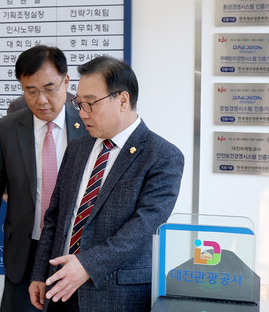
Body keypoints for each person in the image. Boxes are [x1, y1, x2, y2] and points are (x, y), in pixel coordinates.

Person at [29, 56, 184, 312]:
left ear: (122, 100)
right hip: (60, 286)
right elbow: (54, 216)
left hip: (116, 295)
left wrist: (87, 265)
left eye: (90, 103)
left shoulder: (162, 156)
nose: (82, 113)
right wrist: (40, 273)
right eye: (79, 103)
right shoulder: (77, 149)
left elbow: (142, 228)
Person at [0, 45, 86, 312]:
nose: (41, 100)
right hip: (24, 252)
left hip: (75, 253)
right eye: (31, 91)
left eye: (49, 89)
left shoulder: (88, 126)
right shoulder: (6, 130)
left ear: (66, 81)